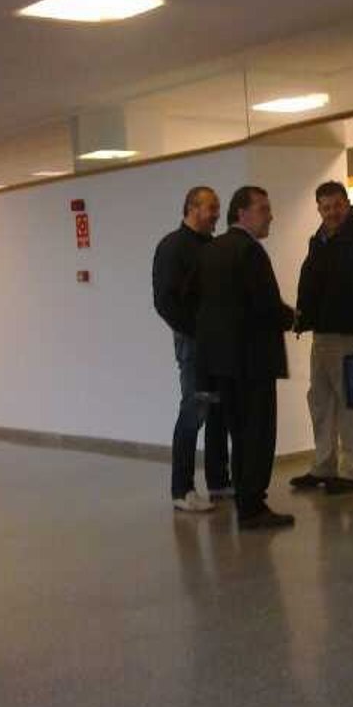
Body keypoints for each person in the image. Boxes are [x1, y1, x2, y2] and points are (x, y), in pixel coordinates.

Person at [190, 186, 296, 530]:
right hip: (253, 360)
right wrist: (296, 318)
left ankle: (245, 500)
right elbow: (266, 306)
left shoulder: (211, 250)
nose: (270, 216)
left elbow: (196, 304)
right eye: (263, 209)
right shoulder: (250, 251)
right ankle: (252, 506)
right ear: (242, 213)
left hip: (222, 362)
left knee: (239, 432)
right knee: (258, 434)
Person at [291, 181, 353, 495]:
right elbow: (312, 283)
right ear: (319, 209)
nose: (332, 212)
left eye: (337, 205)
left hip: (349, 334)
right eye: (326, 207)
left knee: (351, 403)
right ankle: (324, 465)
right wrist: (302, 319)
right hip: (321, 333)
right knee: (320, 401)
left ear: (347, 203)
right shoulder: (319, 239)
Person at [152, 186, 231, 513]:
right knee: (194, 410)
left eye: (217, 207)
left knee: (218, 410)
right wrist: (197, 333)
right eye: (211, 207)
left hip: (216, 341)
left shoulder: (211, 246)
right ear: (192, 208)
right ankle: (182, 489)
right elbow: (165, 301)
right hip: (194, 342)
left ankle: (219, 482)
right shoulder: (172, 247)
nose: (216, 214)